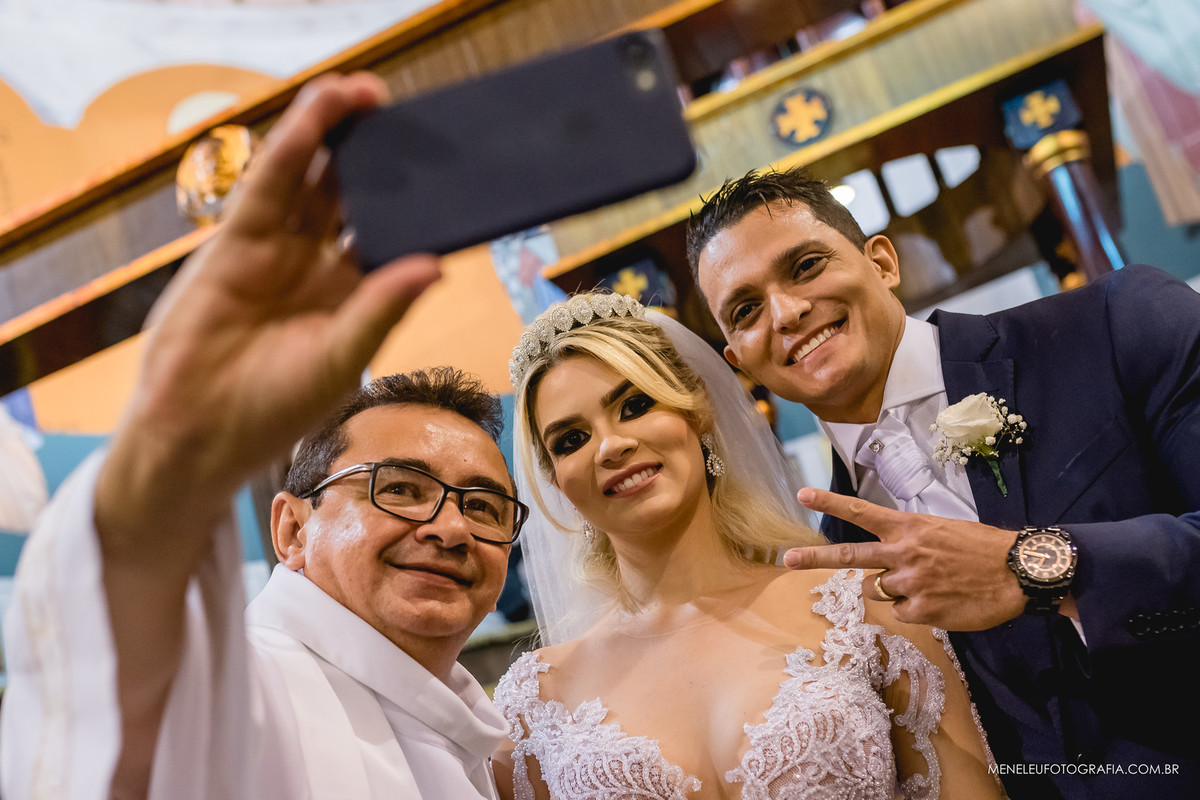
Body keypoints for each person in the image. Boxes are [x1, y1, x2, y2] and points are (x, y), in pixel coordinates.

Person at [0, 73, 520, 800]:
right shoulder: (253, 691)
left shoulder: (482, 732)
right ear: (291, 529)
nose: (450, 528)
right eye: (400, 488)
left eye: (486, 506)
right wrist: (171, 451)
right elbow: (113, 706)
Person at [688, 166, 1200, 797]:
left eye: (806, 266)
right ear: (739, 360)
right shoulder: (829, 572)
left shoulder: (1116, 325)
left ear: (882, 262)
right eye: (745, 310)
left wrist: (1035, 567)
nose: (787, 312)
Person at [492, 291, 1003, 799]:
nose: (610, 446)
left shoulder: (865, 611)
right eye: (570, 440)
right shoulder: (536, 705)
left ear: (698, 412)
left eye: (636, 404)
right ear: (557, 482)